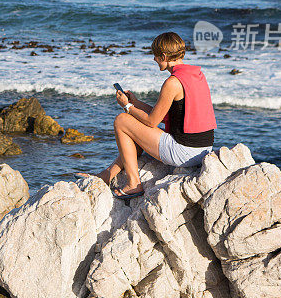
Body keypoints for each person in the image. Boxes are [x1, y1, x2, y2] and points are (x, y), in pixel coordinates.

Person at [81, 32, 216, 199]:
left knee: (122, 120)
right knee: (135, 128)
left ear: (164, 56)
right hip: (203, 149)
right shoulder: (195, 75)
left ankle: (134, 184)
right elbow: (160, 112)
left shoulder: (172, 82)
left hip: (184, 152)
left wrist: (127, 106)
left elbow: (152, 121)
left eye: (155, 56)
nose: (154, 60)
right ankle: (106, 176)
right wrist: (136, 103)